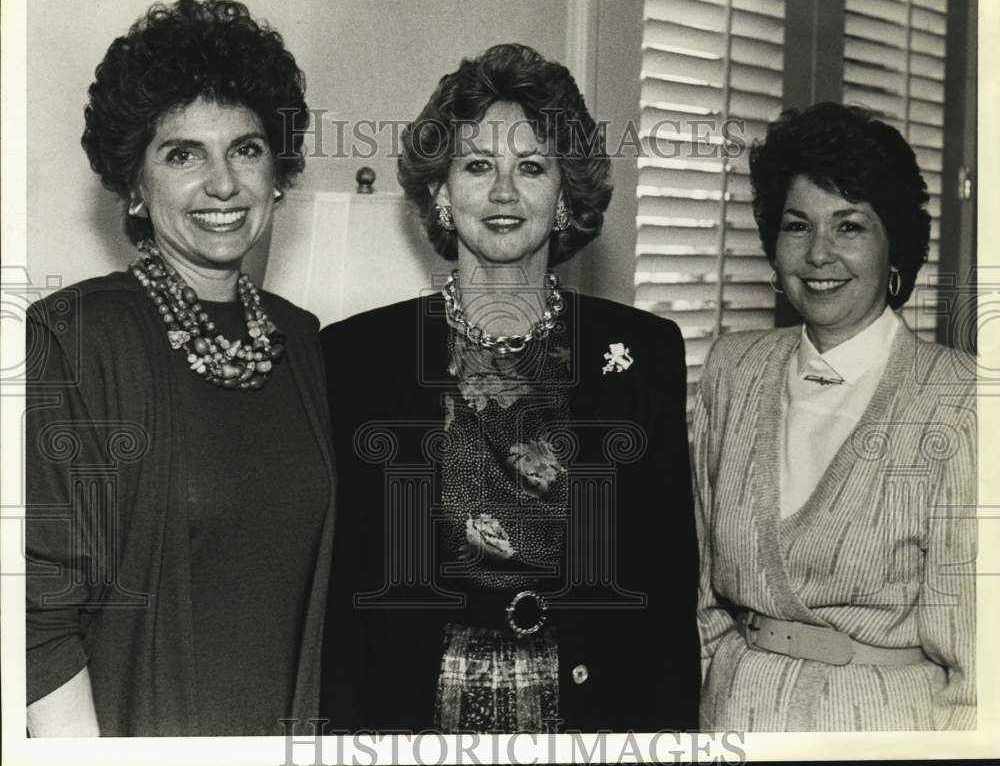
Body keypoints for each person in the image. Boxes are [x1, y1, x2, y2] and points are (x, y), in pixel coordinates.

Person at [319, 43, 698, 733]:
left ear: (565, 193)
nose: (502, 193)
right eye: (476, 166)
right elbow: (338, 604)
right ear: (439, 191)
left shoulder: (643, 353)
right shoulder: (357, 358)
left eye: (530, 167)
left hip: (594, 715)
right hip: (411, 716)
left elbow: (667, 594)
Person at [25, 0, 336, 736]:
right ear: (134, 184)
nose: (222, 183)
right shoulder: (73, 338)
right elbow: (35, 622)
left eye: (247, 148)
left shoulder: (303, 341)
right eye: (182, 153)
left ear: (279, 172)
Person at [693, 102, 976, 731]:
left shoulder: (961, 399)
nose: (819, 253)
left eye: (849, 227)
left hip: (884, 729)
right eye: (798, 226)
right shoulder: (733, 371)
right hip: (730, 722)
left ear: (893, 245)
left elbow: (980, 669)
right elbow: (701, 597)